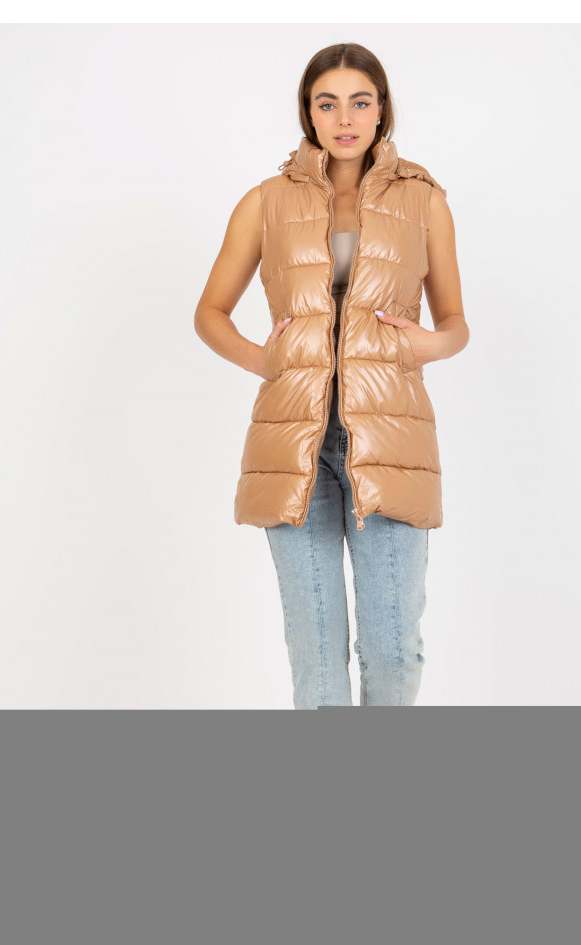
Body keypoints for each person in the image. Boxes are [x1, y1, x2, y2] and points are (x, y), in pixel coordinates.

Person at [194, 43, 469, 708]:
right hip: (294, 445)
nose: (344, 118)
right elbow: (210, 313)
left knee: (393, 652)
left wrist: (429, 345)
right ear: (309, 113)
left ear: (381, 110)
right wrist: (261, 359)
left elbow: (456, 323)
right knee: (317, 659)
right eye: (328, 103)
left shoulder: (424, 201)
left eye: (359, 101)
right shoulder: (265, 202)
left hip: (392, 442)